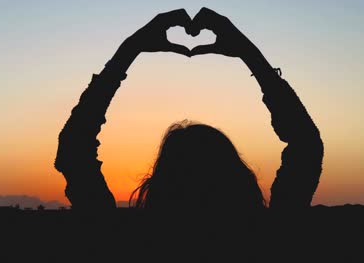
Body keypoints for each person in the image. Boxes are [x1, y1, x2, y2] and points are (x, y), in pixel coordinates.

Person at [54, 8, 324, 211]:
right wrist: (251, 56)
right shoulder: (268, 239)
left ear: (161, 183)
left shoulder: (126, 243)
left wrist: (129, 50)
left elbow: (74, 150)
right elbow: (306, 145)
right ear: (239, 178)